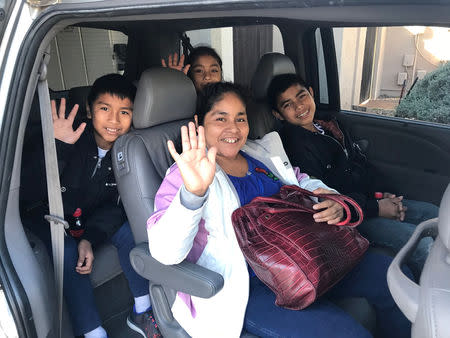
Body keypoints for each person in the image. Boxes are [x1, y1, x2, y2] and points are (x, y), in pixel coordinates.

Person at [147, 82, 411, 338]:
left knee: (391, 275)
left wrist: (331, 198)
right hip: (250, 286)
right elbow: (165, 252)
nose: (233, 129)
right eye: (220, 119)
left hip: (307, 255)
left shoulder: (259, 153)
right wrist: (193, 194)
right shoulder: (187, 173)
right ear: (200, 122)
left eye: (240, 119)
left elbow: (299, 180)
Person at [20, 74, 161, 338]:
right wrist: (57, 147)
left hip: (87, 218)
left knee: (129, 232)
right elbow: (27, 191)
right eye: (104, 109)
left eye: (124, 112)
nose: (114, 120)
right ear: (88, 110)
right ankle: (93, 331)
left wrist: (91, 237)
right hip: (45, 216)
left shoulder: (126, 151)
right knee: (68, 250)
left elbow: (115, 206)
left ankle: (143, 310)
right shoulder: (68, 136)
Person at [267, 73, 439, 277]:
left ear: (311, 93)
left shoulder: (328, 125)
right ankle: (432, 301)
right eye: (287, 104)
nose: (299, 106)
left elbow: (359, 167)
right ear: (278, 114)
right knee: (423, 245)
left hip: (366, 202)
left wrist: (383, 195)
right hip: (350, 219)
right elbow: (327, 198)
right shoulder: (295, 145)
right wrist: (376, 207)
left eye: (302, 96)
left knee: (436, 215)